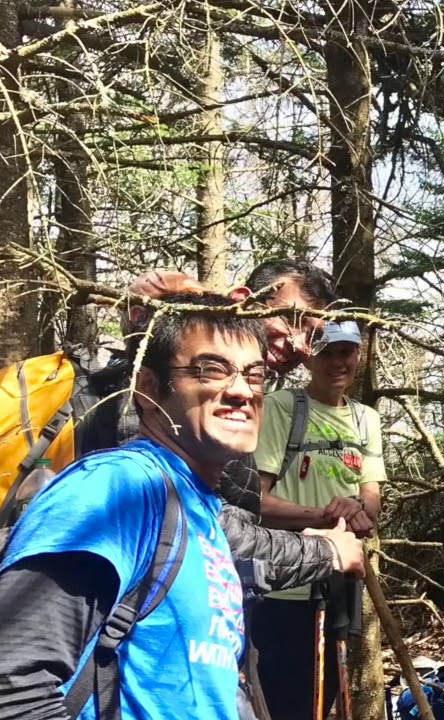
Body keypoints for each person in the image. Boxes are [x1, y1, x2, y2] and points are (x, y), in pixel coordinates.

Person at [0, 293, 269, 719]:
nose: (240, 391)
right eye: (211, 369)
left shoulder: (199, 507)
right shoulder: (120, 486)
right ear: (147, 389)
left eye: (255, 376)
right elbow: (12, 686)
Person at [79, 259, 365, 590]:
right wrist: (323, 551)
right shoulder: (141, 393)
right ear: (242, 301)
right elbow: (193, 528)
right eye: (291, 319)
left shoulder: (240, 400)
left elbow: (224, 515)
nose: (299, 344)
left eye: (313, 335)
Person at [251, 320, 384, 720]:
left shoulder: (366, 420)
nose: (336, 362)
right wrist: (324, 517)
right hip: (282, 587)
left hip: (340, 586)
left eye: (346, 352)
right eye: (326, 352)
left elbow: (371, 503)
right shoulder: (281, 407)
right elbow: (256, 501)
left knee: (322, 703)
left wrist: (355, 509)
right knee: (281, 703)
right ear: (310, 355)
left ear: (359, 356)